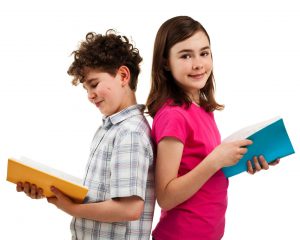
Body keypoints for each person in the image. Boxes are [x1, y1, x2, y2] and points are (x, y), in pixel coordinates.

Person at [146, 16, 279, 240]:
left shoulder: (202, 108)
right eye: (186, 55)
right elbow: (166, 196)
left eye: (204, 53)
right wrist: (215, 160)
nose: (198, 64)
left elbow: (201, 168)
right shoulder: (173, 115)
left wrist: (245, 157)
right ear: (166, 63)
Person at [16, 30, 155, 240]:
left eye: (94, 84)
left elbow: (129, 209)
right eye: (86, 88)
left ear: (123, 76)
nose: (90, 95)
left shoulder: (130, 133)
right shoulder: (110, 128)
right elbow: (103, 194)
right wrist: (52, 191)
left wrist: (72, 209)